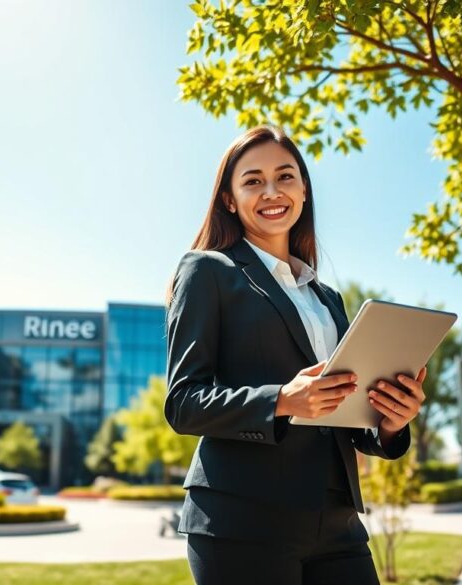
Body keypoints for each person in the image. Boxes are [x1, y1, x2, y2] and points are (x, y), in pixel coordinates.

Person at [164, 125, 426, 584]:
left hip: (339, 520)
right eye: (252, 180)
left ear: (304, 190)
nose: (272, 191)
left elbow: (346, 416)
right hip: (241, 519)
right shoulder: (206, 270)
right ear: (229, 199)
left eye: (285, 176)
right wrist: (283, 399)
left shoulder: (328, 299)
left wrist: (390, 422)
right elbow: (184, 403)